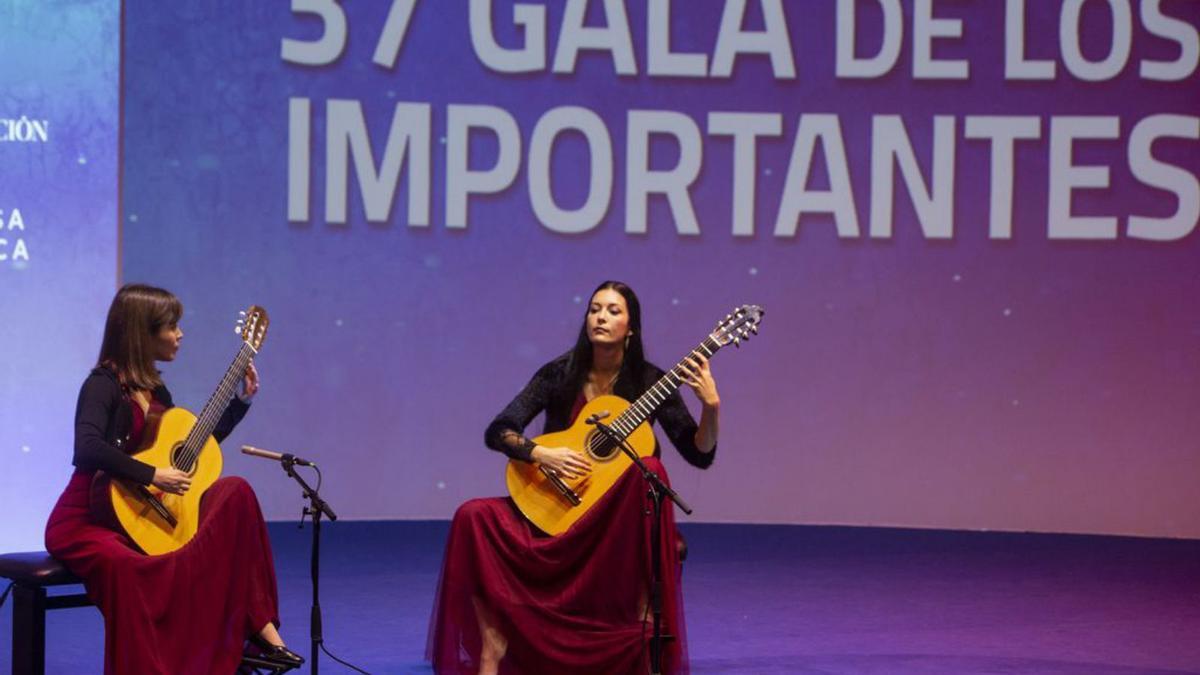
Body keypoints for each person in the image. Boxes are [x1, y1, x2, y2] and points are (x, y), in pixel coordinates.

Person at [428, 281, 720, 674]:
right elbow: (500, 429)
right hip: (560, 507)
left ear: (631, 328)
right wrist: (541, 453)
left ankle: (639, 634)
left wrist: (711, 407)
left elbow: (698, 453)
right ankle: (493, 645)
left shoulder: (652, 381)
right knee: (471, 515)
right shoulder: (557, 374)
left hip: (614, 526)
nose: (601, 317)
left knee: (651, 469)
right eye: (595, 309)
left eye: (613, 311)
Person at [44, 283, 303, 674]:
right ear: (141, 332)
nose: (180, 334)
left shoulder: (157, 389)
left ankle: (259, 631)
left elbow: (190, 449)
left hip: (142, 511)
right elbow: (88, 448)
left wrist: (241, 402)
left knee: (236, 492)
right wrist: (154, 475)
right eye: (171, 326)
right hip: (88, 517)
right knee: (129, 569)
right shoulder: (101, 385)